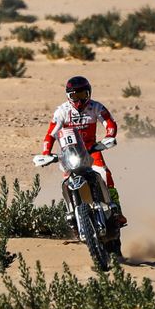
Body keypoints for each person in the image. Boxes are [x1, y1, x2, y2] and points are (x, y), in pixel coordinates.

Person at [38, 75, 126, 227]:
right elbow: (50, 134)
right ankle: (71, 213)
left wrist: (109, 136)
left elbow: (109, 122)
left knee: (104, 174)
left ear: (89, 93)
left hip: (91, 150)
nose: (79, 100)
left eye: (82, 95)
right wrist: (46, 153)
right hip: (69, 153)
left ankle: (116, 210)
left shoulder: (96, 107)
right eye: (74, 96)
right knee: (66, 181)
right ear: (68, 96)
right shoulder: (62, 111)